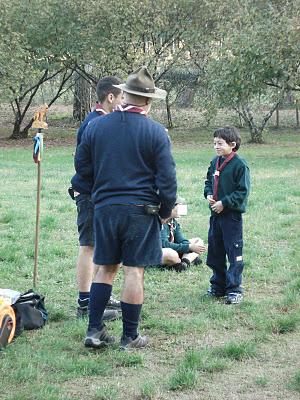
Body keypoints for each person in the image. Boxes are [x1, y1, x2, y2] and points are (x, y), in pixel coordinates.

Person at [75, 66, 177, 349]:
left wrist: (100, 189)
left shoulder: (96, 126)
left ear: (125, 96)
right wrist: (167, 208)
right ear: (148, 100)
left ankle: (94, 331)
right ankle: (130, 336)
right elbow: (167, 179)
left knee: (105, 268)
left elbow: (82, 167)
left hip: (105, 207)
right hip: (141, 210)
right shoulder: (156, 132)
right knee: (134, 270)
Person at [70, 76, 123, 320]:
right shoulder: (94, 124)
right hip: (91, 194)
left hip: (102, 195)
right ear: (110, 97)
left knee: (103, 246)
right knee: (89, 246)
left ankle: (98, 293)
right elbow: (82, 164)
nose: (123, 101)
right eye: (121, 96)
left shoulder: (107, 122)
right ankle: (85, 303)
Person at [204, 126, 250, 304]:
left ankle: (234, 289)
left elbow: (242, 191)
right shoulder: (215, 161)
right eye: (214, 143)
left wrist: (225, 203)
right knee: (215, 251)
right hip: (215, 215)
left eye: (220, 143)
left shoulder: (240, 165)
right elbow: (208, 181)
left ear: (232, 145)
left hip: (231, 217)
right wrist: (208, 193)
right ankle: (218, 286)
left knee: (234, 252)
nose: (216, 146)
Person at [160, 197, 206, 272]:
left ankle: (184, 263)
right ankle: (188, 259)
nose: (182, 209)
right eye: (180, 205)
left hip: (172, 248)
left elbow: (181, 239)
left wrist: (190, 246)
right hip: (158, 252)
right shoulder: (160, 222)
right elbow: (164, 244)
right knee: (171, 253)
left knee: (198, 241)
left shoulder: (173, 222)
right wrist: (189, 247)